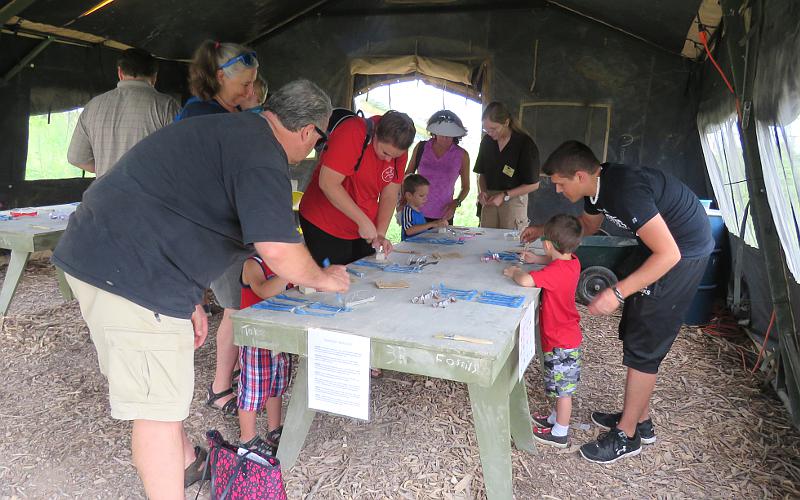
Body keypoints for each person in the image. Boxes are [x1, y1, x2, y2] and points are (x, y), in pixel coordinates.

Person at [52, 79, 348, 497]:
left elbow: (181, 208)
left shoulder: (233, 132)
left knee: (164, 395)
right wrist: (324, 277)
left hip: (122, 258)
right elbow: (278, 251)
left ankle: (188, 465)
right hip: (131, 273)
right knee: (154, 411)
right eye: (319, 143)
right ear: (306, 132)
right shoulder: (263, 156)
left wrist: (190, 296)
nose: (314, 151)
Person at [521, 140, 713, 464]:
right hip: (660, 248)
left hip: (681, 254)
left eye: (559, 183)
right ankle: (640, 418)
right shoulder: (598, 190)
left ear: (580, 176)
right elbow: (586, 227)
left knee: (644, 346)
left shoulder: (625, 191)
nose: (556, 190)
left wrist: (617, 292)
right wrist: (545, 231)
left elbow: (669, 253)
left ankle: (627, 436)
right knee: (634, 327)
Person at [174, 40, 261, 417]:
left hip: (225, 229)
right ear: (220, 76)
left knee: (238, 305)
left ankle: (231, 376)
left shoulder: (212, 112)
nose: (249, 90)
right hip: (215, 230)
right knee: (234, 307)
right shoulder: (205, 117)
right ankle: (221, 388)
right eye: (244, 83)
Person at [503, 214, 583, 448]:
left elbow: (527, 281)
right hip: (562, 337)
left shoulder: (555, 273)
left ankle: (560, 432)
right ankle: (554, 418)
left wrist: (514, 272)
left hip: (561, 341)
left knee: (563, 390)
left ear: (548, 245)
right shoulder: (572, 262)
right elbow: (554, 263)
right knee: (556, 383)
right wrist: (537, 258)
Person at [298, 110, 416, 265]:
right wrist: (363, 221)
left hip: (361, 228)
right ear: (376, 134)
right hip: (325, 221)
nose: (388, 160)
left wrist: (380, 233)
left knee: (364, 277)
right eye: (385, 152)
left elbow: (390, 194)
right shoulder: (353, 132)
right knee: (333, 280)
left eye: (394, 157)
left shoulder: (398, 146)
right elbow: (328, 184)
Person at [67, 48, 179, 178]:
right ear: (154, 76)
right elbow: (181, 157)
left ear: (120, 72)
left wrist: (108, 168)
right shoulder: (166, 106)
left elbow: (76, 157)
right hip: (147, 196)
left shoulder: (93, 106)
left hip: (105, 194)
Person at [237, 254, 291, 456]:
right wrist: (292, 271)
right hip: (256, 336)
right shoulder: (252, 264)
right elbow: (264, 290)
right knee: (253, 387)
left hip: (280, 333)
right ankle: (247, 438)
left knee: (277, 384)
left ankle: (274, 429)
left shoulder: (285, 262)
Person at [473, 102, 540, 230]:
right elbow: (482, 174)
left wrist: (505, 195)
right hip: (490, 199)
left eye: (494, 129)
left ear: (506, 123)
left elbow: (533, 184)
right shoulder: (487, 142)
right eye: (486, 130)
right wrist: (483, 192)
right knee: (487, 238)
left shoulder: (525, 144)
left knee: (510, 242)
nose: (490, 133)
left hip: (513, 198)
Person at [404, 110, 470, 225]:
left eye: (450, 136)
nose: (446, 138)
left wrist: (456, 202)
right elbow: (408, 175)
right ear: (434, 132)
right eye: (442, 135)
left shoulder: (462, 155)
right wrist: (403, 198)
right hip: (415, 212)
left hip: (443, 216)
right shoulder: (421, 148)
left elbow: (466, 187)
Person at [174, 40, 258, 120]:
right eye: (246, 84)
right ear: (221, 77)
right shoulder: (199, 115)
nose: (251, 93)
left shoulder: (237, 107)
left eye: (253, 83)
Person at [399, 174, 447, 241]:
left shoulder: (418, 211)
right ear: (409, 195)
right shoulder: (408, 211)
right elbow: (409, 231)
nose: (425, 199)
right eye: (421, 196)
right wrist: (432, 224)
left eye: (426, 195)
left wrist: (437, 227)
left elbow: (422, 231)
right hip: (409, 247)